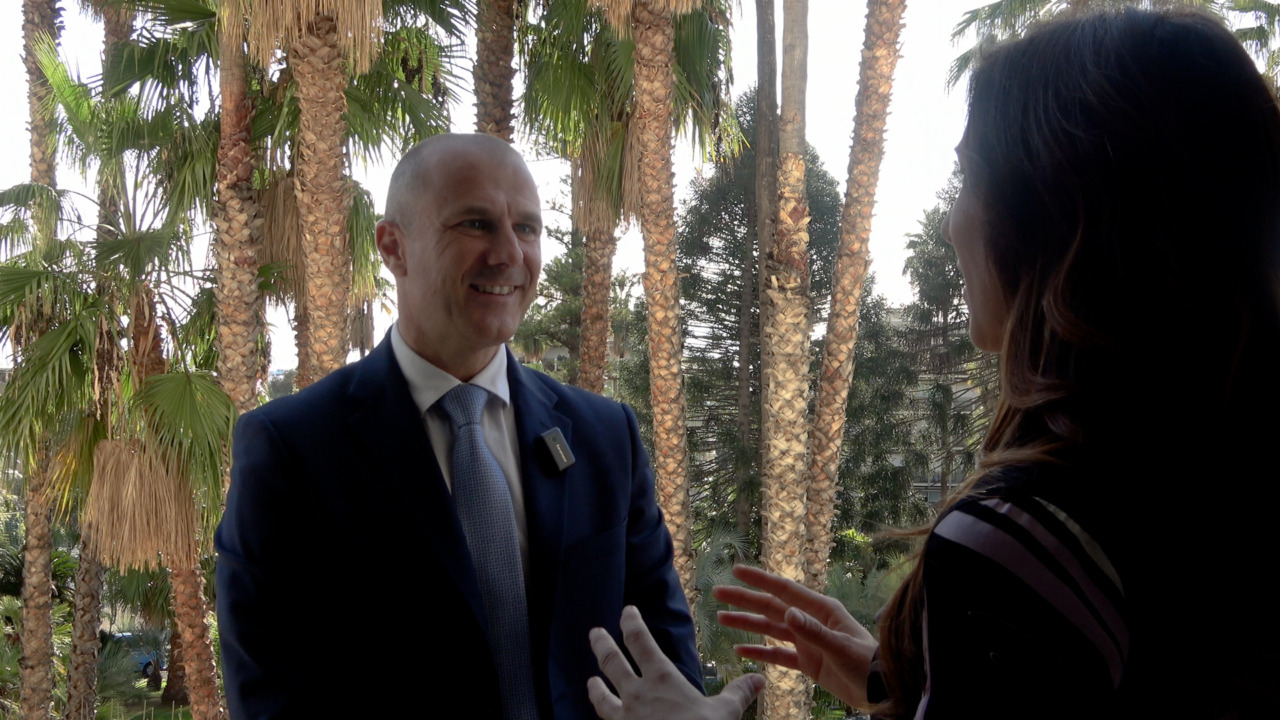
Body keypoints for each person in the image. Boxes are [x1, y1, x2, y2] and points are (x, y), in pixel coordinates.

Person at [586, 8, 1280, 720]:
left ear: (1050, 217)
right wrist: (910, 688)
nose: (953, 224)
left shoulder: (1026, 539)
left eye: (969, 180)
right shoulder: (1205, 486)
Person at [215, 133, 702, 720]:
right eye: (475, 224)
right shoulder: (293, 450)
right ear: (393, 246)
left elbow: (669, 670)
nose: (509, 254)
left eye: (527, 228)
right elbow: (269, 696)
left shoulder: (605, 437)